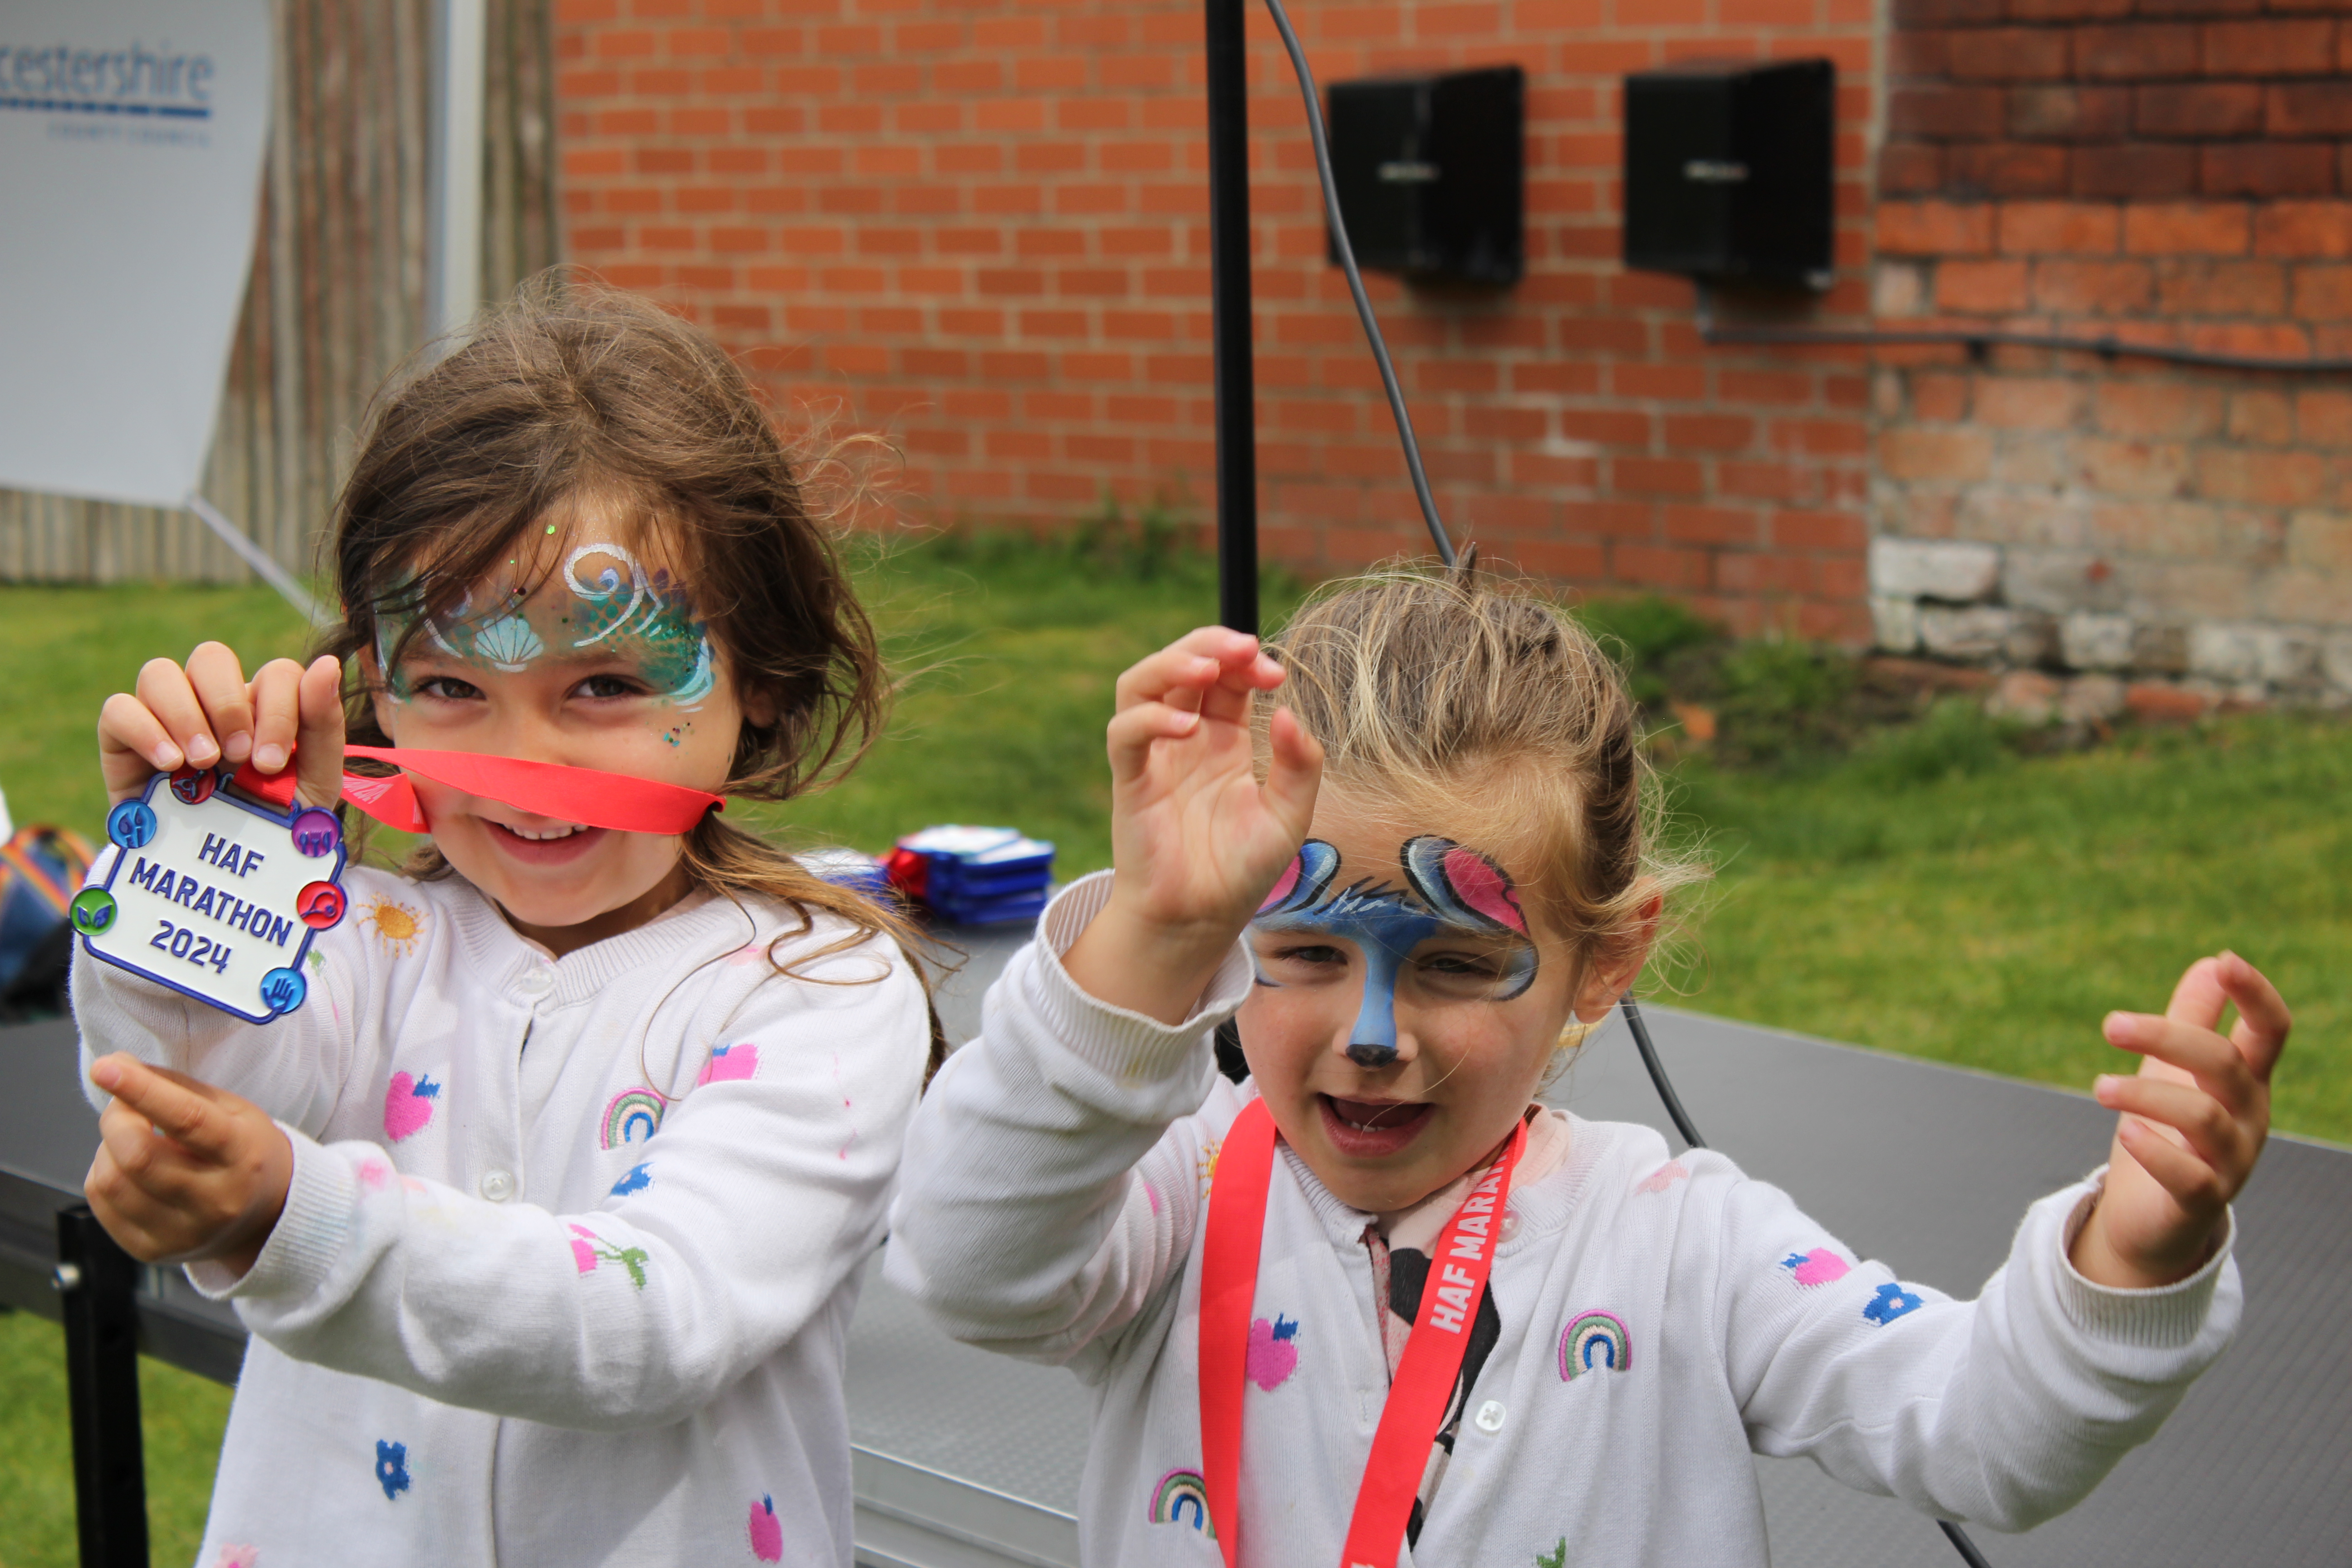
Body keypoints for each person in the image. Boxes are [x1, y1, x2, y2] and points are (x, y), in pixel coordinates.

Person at [886, 563, 2288, 1567]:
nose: (1373, 1033)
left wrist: (2136, 1253)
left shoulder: (1685, 1247)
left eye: (1451, 962)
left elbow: (1984, 1437)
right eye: (1300, 952)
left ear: (1602, 964)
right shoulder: (1174, 1204)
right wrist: (1153, 936)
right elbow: (966, 1256)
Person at [74, 285, 934, 1568]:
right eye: (451, 688)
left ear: (759, 675)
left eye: (602, 684)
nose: (514, 765)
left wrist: (291, 1219)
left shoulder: (817, 991)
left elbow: (655, 1322)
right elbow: (180, 1086)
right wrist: (202, 868)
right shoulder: (352, 941)